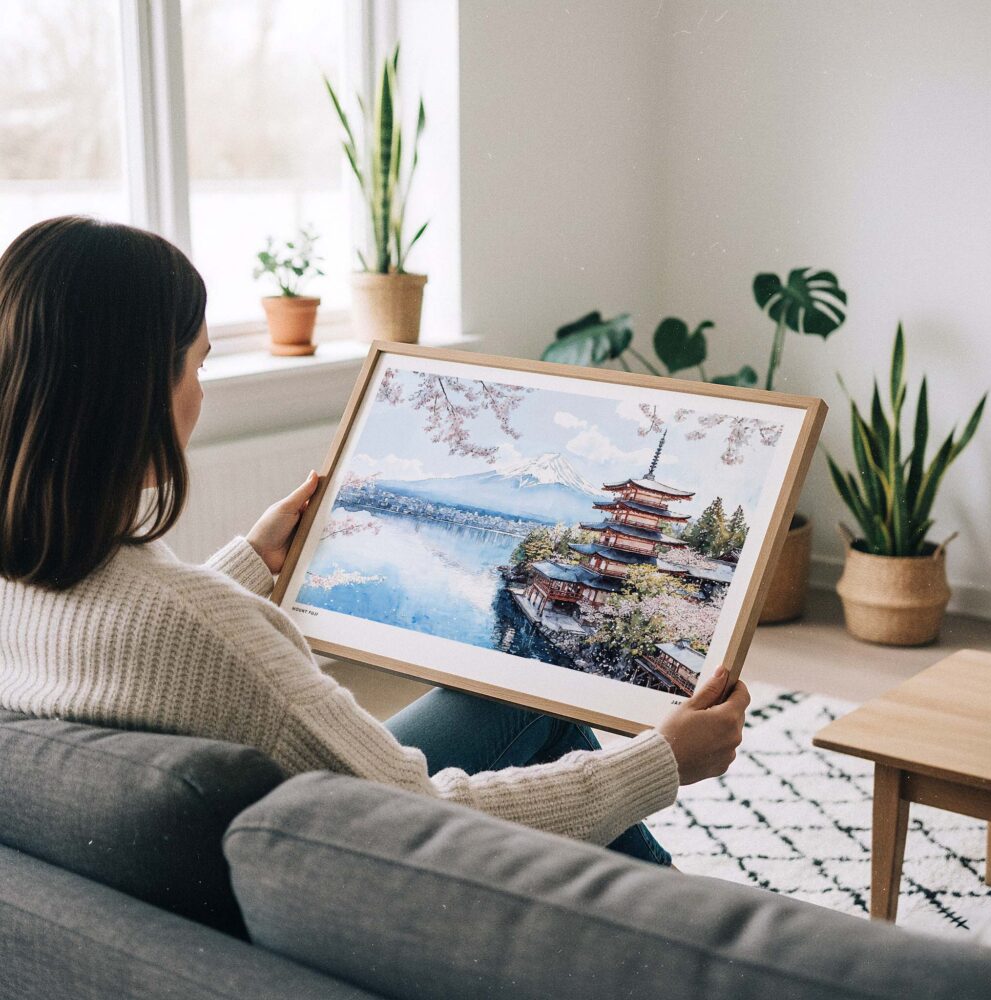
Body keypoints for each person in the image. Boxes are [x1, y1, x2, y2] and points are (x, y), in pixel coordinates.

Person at [0, 216, 749, 866]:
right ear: (137, 393)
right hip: (355, 866)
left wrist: (250, 563)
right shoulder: (208, 630)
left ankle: (665, 912)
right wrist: (660, 761)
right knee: (545, 711)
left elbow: (146, 636)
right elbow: (417, 817)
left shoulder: (27, 581)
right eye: (199, 365)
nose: (202, 391)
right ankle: (687, 932)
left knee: (515, 694)